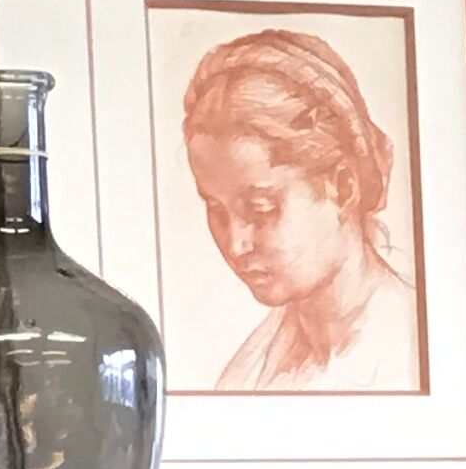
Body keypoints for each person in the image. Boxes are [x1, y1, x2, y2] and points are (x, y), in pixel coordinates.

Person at [179, 27, 419, 392]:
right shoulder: (245, 376)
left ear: (343, 188)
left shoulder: (408, 348)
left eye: (261, 210)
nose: (236, 244)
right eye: (215, 209)